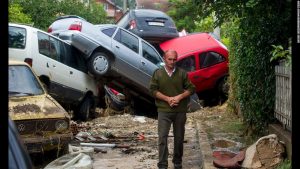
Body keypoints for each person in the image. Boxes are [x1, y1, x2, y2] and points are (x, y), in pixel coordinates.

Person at [149, 49, 196, 169]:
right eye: (170, 59)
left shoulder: (182, 73)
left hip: (180, 111)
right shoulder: (158, 73)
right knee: (162, 138)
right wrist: (167, 99)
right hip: (164, 110)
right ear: (164, 59)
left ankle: (177, 161)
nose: (172, 62)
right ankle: (162, 164)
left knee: (179, 138)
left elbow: (191, 89)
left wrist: (179, 97)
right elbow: (153, 90)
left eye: (175, 59)